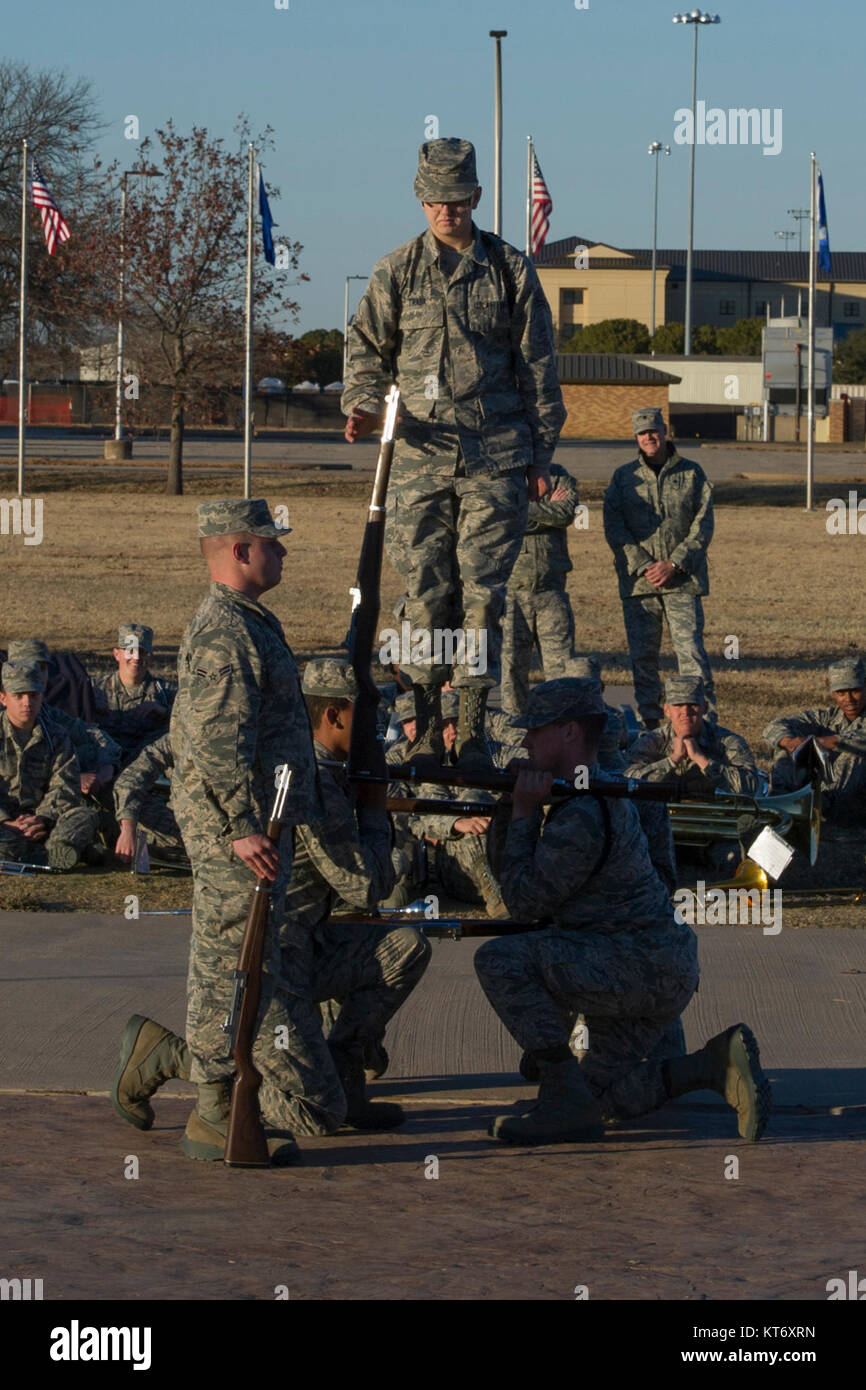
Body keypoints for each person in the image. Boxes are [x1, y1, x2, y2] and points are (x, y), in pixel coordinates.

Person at [342, 136, 566, 770]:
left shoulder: (509, 269)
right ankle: (422, 725)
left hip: (495, 459)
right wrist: (361, 403)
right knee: (424, 591)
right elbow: (363, 351)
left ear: (475, 196)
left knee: (483, 595)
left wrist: (541, 456)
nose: (447, 211)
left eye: (457, 199)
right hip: (417, 462)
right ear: (422, 202)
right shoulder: (398, 271)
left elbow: (539, 368)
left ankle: (469, 730)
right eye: (435, 200)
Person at [473, 678, 771, 1146]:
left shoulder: (584, 811)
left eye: (537, 730)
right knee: (601, 1106)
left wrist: (525, 815)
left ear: (571, 732)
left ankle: (558, 1094)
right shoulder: (605, 791)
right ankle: (711, 1066)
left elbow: (524, 904)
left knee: (498, 961)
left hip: (628, 968)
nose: (526, 741)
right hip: (652, 968)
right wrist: (515, 805)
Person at [166, 498, 347, 1164]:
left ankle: (212, 1098)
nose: (284, 552)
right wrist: (242, 827)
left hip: (254, 824)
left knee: (244, 965)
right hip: (235, 833)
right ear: (240, 550)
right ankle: (215, 1111)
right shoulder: (224, 630)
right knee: (227, 968)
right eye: (272, 542)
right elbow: (216, 738)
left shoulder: (244, 622)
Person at [289, 657, 430, 1126]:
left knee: (404, 946)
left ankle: (345, 1064)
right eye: (367, 720)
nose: (377, 733)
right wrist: (375, 811)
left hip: (311, 945)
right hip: (279, 963)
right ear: (333, 716)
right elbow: (366, 885)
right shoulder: (316, 781)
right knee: (315, 1117)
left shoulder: (323, 768)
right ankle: (164, 1054)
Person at [603, 408, 715, 729]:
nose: (649, 438)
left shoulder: (692, 473)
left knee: (691, 654)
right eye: (642, 434)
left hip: (682, 580)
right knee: (643, 658)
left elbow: (703, 524)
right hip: (640, 583)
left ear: (664, 431)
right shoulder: (623, 478)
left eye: (654, 431)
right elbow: (614, 526)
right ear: (635, 438)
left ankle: (702, 725)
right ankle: (651, 725)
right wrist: (644, 565)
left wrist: (675, 563)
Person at [386, 688, 506, 915]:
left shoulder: (477, 752)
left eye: (455, 723)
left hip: (487, 838)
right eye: (408, 721)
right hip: (432, 850)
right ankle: (496, 894)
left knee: (475, 805)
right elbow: (399, 816)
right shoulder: (398, 760)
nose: (451, 732)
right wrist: (452, 823)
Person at [0, 660, 99, 870]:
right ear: (3, 698)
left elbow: (64, 785)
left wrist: (42, 818)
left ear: (42, 696)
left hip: (44, 821)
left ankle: (53, 851)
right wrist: (6, 822)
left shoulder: (57, 736)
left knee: (85, 816)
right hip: (5, 825)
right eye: (18, 696)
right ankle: (53, 853)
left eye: (33, 695)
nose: (27, 703)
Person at [501, 463, 580, 716]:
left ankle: (559, 729)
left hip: (551, 592)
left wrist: (522, 511)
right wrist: (545, 510)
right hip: (513, 593)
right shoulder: (505, 479)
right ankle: (514, 731)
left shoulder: (559, 476)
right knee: (512, 670)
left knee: (561, 670)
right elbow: (501, 519)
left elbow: (566, 513)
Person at [763, 657, 866, 826]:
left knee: (854, 754)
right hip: (823, 791)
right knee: (786, 746)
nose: (848, 699)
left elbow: (858, 741)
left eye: (855, 691)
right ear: (832, 692)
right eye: (841, 693)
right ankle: (779, 803)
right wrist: (789, 742)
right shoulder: (827, 717)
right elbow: (775, 726)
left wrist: (825, 742)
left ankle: (818, 808)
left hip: (855, 803)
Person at [625, 676, 761, 798]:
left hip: (714, 817)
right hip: (661, 817)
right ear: (666, 710)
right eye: (678, 705)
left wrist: (703, 761)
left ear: (705, 708)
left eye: (693, 704)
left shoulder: (728, 741)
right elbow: (627, 783)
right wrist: (672, 760)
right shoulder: (651, 741)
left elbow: (751, 787)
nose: (686, 711)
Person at [92, 624, 176, 765]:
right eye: (130, 651)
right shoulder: (93, 690)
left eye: (142, 652)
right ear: (117, 654)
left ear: (150, 657)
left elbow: (189, 724)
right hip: (101, 767)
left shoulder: (167, 693)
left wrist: (165, 712)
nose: (136, 657)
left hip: (148, 770)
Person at [112, 731, 184, 862]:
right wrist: (128, 829)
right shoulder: (178, 738)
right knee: (134, 810)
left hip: (223, 827)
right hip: (186, 824)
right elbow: (131, 778)